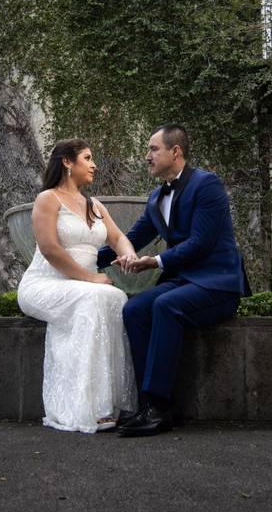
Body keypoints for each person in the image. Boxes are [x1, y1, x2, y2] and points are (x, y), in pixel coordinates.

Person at [97, 124, 249, 437]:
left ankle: (157, 406)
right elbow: (131, 238)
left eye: (153, 149)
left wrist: (156, 261)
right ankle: (149, 406)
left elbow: (202, 242)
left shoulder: (207, 184)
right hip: (183, 282)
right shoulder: (156, 198)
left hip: (217, 284)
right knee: (135, 310)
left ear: (175, 151)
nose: (147, 156)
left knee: (165, 305)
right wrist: (82, 261)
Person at [17, 139, 138, 433]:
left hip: (83, 288)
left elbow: (118, 238)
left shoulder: (94, 205)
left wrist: (130, 254)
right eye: (87, 158)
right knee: (97, 297)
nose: (94, 164)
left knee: (116, 297)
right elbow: (50, 249)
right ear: (68, 163)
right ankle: (84, 406)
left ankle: (106, 403)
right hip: (45, 284)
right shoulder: (48, 199)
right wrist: (92, 277)